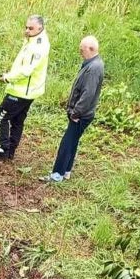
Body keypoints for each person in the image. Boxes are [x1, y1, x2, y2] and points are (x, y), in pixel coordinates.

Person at [41, 36, 105, 183]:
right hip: (83, 113)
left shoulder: (93, 68)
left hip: (81, 115)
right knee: (72, 142)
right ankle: (66, 171)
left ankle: (57, 174)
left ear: (91, 49)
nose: (80, 52)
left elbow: (88, 94)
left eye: (82, 50)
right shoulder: (94, 64)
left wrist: (76, 112)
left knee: (66, 143)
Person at [0, 15, 50, 161]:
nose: (27, 30)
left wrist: (7, 77)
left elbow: (26, 70)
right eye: (26, 27)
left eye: (30, 28)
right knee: (17, 120)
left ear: (40, 28)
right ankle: (10, 150)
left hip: (21, 91)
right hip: (29, 91)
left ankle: (2, 150)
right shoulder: (34, 39)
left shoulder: (38, 47)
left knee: (1, 116)